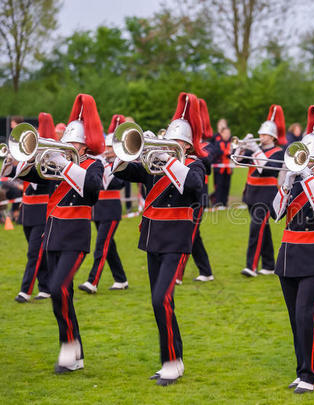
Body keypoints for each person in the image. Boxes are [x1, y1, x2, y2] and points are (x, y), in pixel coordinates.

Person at [113, 92, 206, 386]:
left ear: (187, 145)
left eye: (176, 141)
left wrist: (169, 160)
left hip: (177, 240)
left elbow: (195, 188)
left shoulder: (193, 165)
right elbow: (128, 174)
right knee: (161, 303)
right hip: (153, 239)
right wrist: (121, 154)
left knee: (161, 299)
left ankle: (170, 361)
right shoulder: (156, 163)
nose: (169, 143)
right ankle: (173, 360)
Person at [17, 94, 105, 373]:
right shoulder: (59, 162)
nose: (67, 146)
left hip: (76, 237)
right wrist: (24, 158)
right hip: (53, 234)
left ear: (85, 143)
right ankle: (73, 350)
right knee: (61, 295)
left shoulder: (93, 164)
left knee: (58, 288)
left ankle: (69, 348)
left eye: (73, 142)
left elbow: (92, 190)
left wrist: (65, 163)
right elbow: (30, 176)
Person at [271, 105, 314, 394]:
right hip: (288, 256)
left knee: (305, 315)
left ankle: (309, 376)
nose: (304, 163)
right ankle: (301, 371)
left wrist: (308, 177)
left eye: (310, 159)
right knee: (293, 318)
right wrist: (286, 183)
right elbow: (276, 214)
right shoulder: (296, 182)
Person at [78, 115, 128, 294]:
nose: (107, 151)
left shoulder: (121, 165)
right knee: (109, 246)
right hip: (98, 208)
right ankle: (121, 279)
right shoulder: (101, 163)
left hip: (112, 209)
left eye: (110, 148)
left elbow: (117, 183)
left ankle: (93, 281)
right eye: (106, 147)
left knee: (101, 245)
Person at [235, 105, 285, 277]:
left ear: (272, 136)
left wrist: (255, 150)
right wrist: (242, 145)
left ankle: (251, 266)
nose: (261, 137)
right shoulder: (256, 150)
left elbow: (268, 169)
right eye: (260, 134)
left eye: (264, 135)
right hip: (251, 193)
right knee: (264, 229)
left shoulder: (278, 152)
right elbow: (237, 160)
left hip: (266, 195)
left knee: (256, 230)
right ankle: (270, 265)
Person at [10, 112, 54, 303]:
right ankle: (45, 287)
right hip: (28, 210)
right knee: (36, 251)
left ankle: (25, 290)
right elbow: (15, 175)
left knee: (33, 252)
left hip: (41, 211)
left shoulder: (49, 160)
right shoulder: (26, 159)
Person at [175, 98, 218, 284]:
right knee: (194, 236)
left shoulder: (207, 148)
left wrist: (195, 147)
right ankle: (206, 271)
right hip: (183, 196)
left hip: (198, 198)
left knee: (188, 234)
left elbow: (206, 166)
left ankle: (176, 274)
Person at [211, 126, 232, 207]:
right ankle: (217, 202)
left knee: (227, 186)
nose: (227, 135)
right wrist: (226, 152)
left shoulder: (231, 143)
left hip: (228, 169)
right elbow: (217, 152)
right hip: (219, 169)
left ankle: (224, 202)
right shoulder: (217, 142)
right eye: (226, 133)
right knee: (219, 186)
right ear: (221, 134)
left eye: (229, 133)